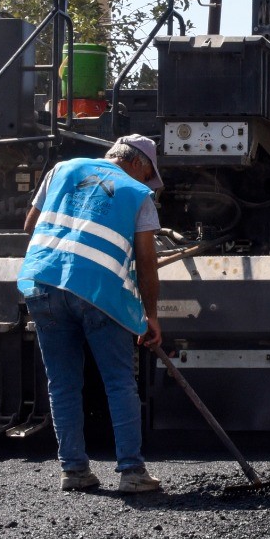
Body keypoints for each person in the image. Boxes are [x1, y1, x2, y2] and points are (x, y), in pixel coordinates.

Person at [18, 135, 165, 493]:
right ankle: (131, 472)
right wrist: (151, 316)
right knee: (118, 381)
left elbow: (30, 227)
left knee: (63, 383)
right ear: (139, 164)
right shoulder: (136, 193)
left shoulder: (61, 170)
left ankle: (75, 471)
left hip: (44, 282)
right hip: (98, 292)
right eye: (149, 176)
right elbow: (146, 261)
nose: (148, 183)